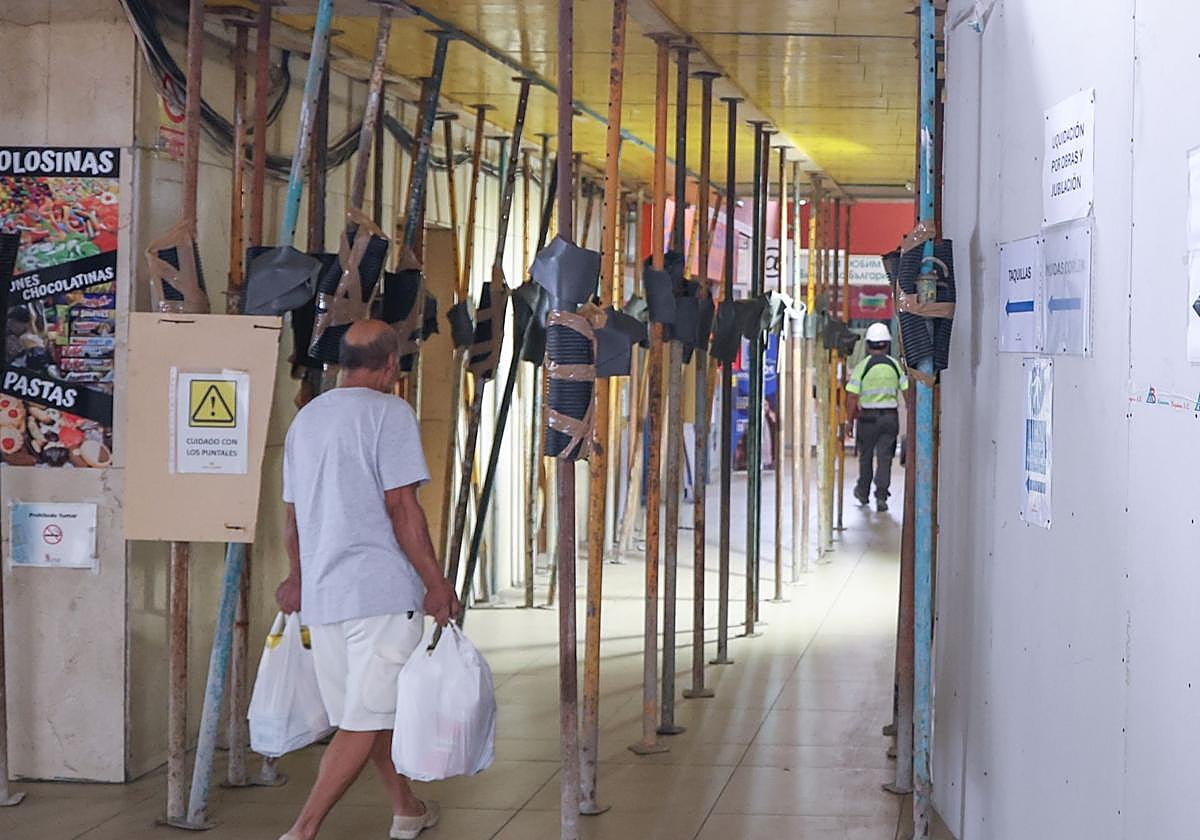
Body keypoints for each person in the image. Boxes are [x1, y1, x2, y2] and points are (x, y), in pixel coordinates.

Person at [275, 320, 460, 840]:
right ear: (390, 365)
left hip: (326, 599)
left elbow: (293, 515)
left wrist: (297, 576)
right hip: (380, 594)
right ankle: (303, 829)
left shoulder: (306, 420)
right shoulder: (390, 413)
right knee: (365, 719)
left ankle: (407, 809)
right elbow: (402, 507)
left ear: (340, 363)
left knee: (367, 715)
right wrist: (436, 582)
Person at [845, 322, 908, 513]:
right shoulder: (895, 366)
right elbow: (907, 393)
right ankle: (881, 496)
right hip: (890, 418)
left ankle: (863, 492)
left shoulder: (862, 367)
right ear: (887, 344)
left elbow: (852, 396)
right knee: (885, 458)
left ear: (868, 344)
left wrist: (849, 421)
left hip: (867, 419)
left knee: (866, 458)